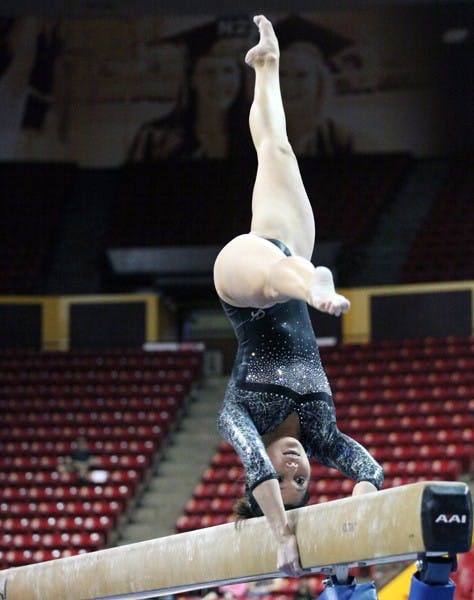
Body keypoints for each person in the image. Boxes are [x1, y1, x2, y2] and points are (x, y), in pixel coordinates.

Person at [213, 15, 383, 578]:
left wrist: (284, 535)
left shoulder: (241, 416)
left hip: (246, 285)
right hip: (293, 256)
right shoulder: (318, 431)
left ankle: (313, 284)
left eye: (283, 481)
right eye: (304, 481)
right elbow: (367, 465)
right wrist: (361, 511)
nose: (295, 469)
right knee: (278, 150)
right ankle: (267, 66)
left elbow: (257, 469)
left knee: (270, 275)